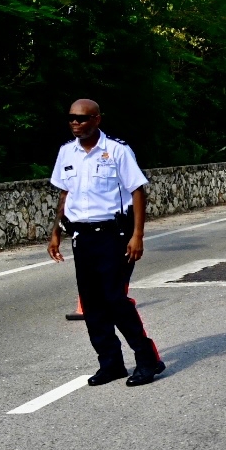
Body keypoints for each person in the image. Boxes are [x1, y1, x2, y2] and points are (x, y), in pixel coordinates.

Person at [46, 99, 166, 387]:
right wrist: (55, 232)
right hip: (82, 237)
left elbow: (137, 192)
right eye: (71, 118)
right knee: (92, 303)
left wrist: (138, 235)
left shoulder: (117, 151)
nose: (75, 123)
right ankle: (111, 363)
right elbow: (64, 195)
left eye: (82, 118)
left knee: (115, 300)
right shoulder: (66, 153)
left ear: (97, 119)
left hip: (114, 236)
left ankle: (147, 359)